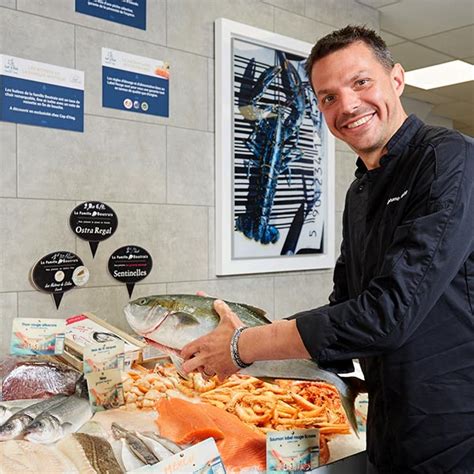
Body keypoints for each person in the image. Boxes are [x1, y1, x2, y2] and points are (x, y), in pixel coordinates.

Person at [182, 25, 474, 473]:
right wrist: (239, 339)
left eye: (360, 82)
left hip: (455, 433)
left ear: (396, 79)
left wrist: (246, 344)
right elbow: (346, 312)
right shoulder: (361, 192)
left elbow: (387, 315)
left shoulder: (448, 158)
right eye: (328, 97)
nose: (347, 105)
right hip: (388, 425)